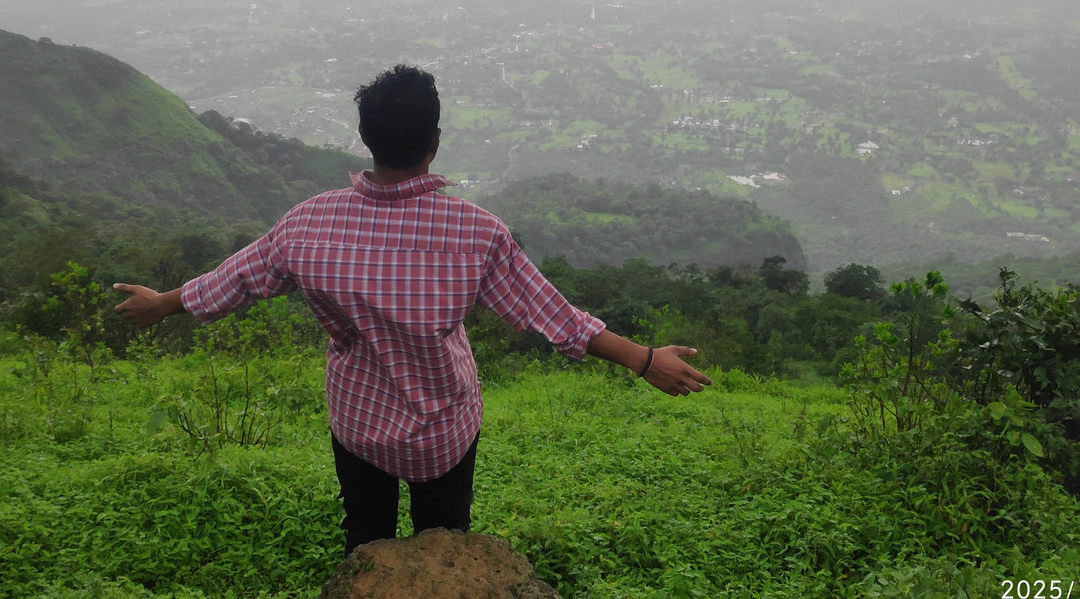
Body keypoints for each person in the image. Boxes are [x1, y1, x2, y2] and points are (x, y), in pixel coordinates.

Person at [114, 64, 711, 556]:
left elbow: (233, 281)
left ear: (367, 138)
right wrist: (644, 359)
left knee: (365, 539)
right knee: (444, 543)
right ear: (434, 141)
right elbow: (551, 315)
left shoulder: (306, 224)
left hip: (358, 421)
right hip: (442, 426)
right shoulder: (475, 233)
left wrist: (161, 303)